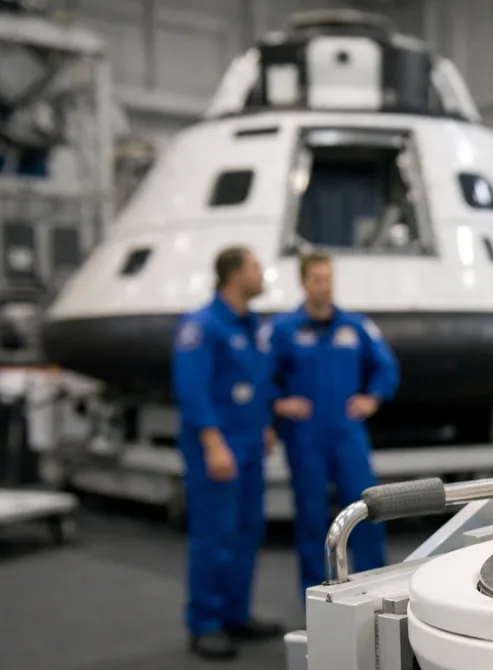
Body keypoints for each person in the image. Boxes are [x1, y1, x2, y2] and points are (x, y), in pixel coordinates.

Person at [172, 246, 283, 660]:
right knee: (214, 535)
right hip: (217, 445)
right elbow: (192, 389)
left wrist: (266, 425)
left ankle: (236, 613)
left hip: (249, 441)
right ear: (235, 274)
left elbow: (258, 382)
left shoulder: (252, 325)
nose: (262, 274)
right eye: (255, 267)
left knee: (246, 531)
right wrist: (213, 443)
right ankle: (205, 623)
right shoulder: (201, 326)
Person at [268, 251, 400, 595]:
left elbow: (386, 368)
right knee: (311, 517)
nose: (324, 286)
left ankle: (375, 589)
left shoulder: (355, 326)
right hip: (305, 436)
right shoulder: (284, 329)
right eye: (317, 279)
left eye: (328, 279)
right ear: (304, 282)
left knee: (366, 509)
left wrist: (372, 397)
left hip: (347, 432)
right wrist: (279, 402)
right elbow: (262, 375)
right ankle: (318, 595)